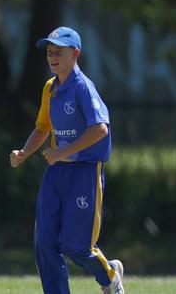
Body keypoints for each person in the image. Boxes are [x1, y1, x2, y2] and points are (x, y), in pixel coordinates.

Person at [9, 26, 125, 294]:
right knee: (45, 242)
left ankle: (110, 276)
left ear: (75, 54)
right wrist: (25, 153)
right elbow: (42, 128)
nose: (52, 57)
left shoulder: (83, 87)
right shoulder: (50, 88)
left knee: (77, 247)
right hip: (56, 173)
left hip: (85, 173)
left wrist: (64, 151)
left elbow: (101, 129)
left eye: (58, 52)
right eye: (49, 52)